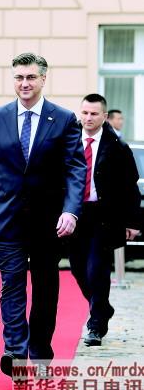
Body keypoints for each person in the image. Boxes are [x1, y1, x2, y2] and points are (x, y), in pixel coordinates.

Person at [0, 53, 87, 377]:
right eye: (19, 77)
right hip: (5, 219)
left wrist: (71, 211)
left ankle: (41, 351)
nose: (25, 83)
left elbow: (76, 170)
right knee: (12, 285)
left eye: (31, 77)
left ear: (43, 79)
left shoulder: (63, 119)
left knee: (46, 288)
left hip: (49, 222)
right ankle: (15, 352)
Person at [70, 94, 140, 347]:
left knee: (96, 269)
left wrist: (132, 222)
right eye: (85, 113)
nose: (88, 118)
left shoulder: (117, 147)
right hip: (74, 215)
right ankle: (102, 307)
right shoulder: (68, 141)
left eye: (94, 114)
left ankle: (96, 324)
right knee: (78, 269)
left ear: (104, 116)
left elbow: (130, 187)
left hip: (104, 217)